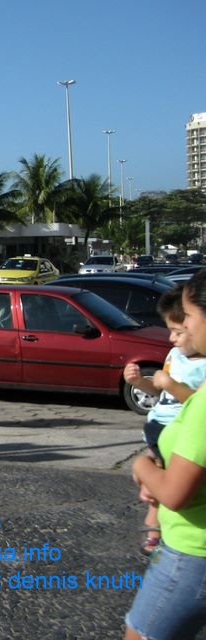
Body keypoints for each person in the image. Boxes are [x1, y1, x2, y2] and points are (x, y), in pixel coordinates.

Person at [125, 270, 206, 639]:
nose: (182, 326)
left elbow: (175, 493)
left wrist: (143, 466)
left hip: (192, 552)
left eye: (187, 315)